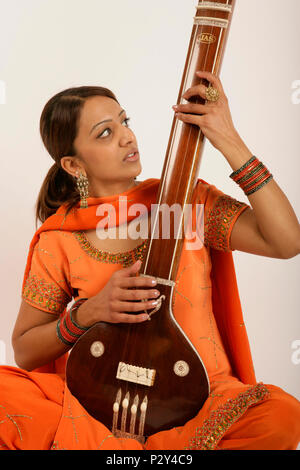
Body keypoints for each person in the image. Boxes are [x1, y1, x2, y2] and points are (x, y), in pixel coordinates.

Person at [1, 72, 300, 450]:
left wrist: (228, 138)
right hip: (97, 407)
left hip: (199, 398)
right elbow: (25, 351)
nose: (127, 136)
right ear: (74, 166)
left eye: (125, 121)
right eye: (105, 133)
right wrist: (89, 312)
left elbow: (287, 242)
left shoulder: (185, 200)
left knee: (281, 416)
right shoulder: (61, 237)